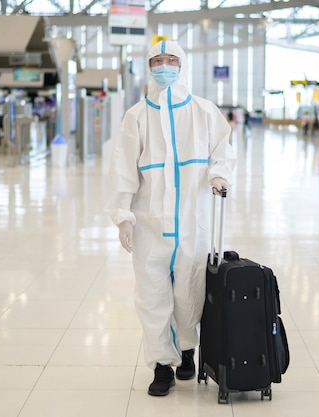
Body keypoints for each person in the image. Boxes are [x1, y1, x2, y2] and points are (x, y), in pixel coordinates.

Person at [105, 40, 236, 397]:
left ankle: (188, 352)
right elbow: (122, 169)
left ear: (183, 64)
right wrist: (124, 216)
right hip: (150, 223)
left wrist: (219, 174)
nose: (165, 66)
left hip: (193, 221)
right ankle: (162, 364)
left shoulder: (203, 110)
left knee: (189, 291)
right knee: (152, 295)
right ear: (149, 66)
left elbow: (221, 149)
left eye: (171, 60)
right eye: (158, 60)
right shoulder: (136, 115)